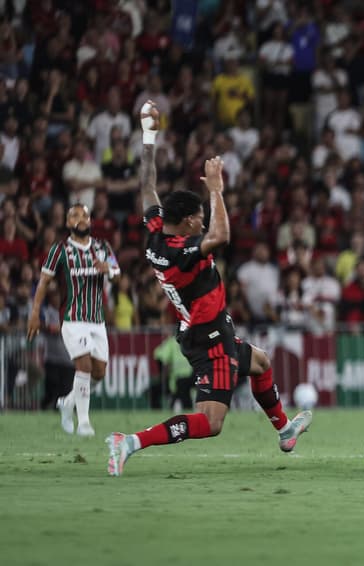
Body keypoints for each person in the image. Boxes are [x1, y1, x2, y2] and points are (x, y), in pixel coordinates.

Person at [105, 101, 311, 477]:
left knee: (261, 361)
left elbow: (146, 183)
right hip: (208, 337)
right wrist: (216, 189)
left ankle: (284, 430)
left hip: (212, 327)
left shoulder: (156, 231)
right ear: (185, 224)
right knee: (211, 421)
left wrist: (149, 135)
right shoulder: (180, 251)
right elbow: (222, 235)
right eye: (198, 217)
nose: (203, 222)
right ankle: (131, 441)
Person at [27, 203, 121, 436]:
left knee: (99, 373)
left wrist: (108, 270)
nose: (81, 219)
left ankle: (67, 404)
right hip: (72, 319)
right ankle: (85, 422)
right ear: (68, 223)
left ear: (90, 221)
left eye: (85, 215)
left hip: (97, 321)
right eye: (75, 216)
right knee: (84, 366)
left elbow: (118, 274)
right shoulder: (59, 251)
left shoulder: (102, 247)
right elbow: (43, 283)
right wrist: (35, 313)